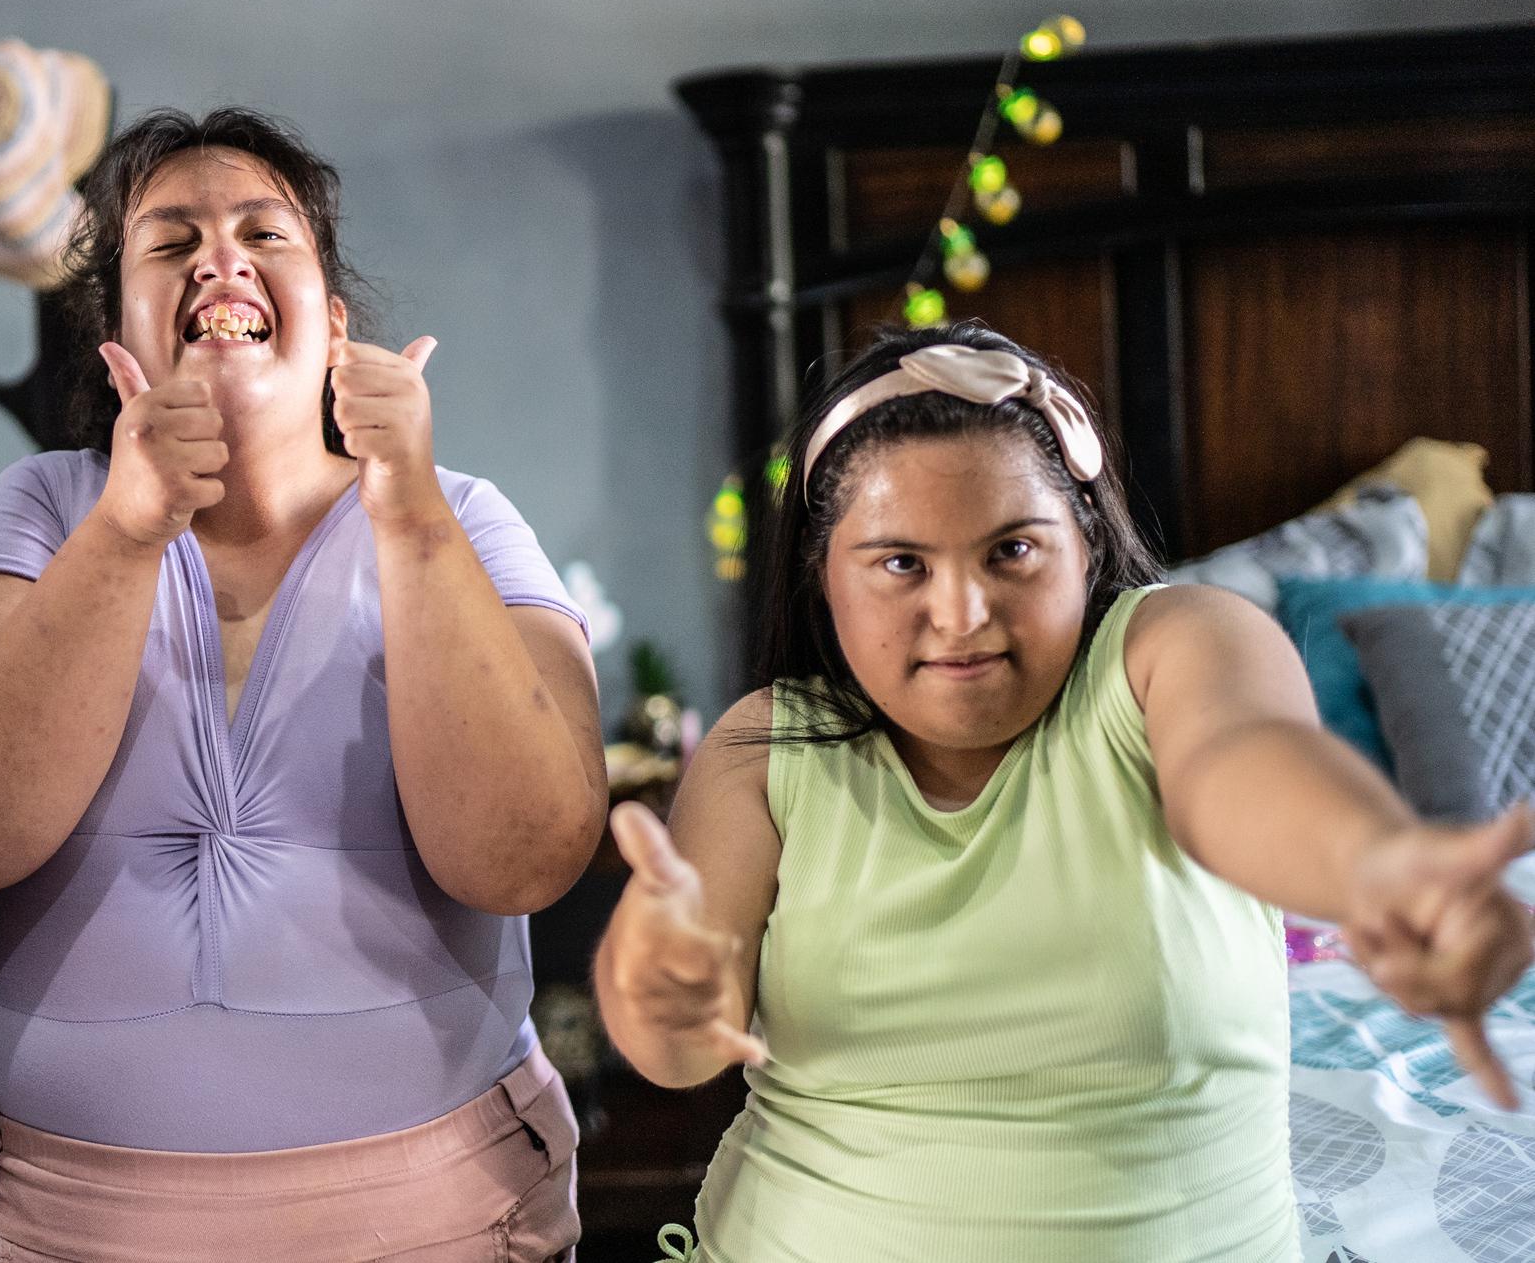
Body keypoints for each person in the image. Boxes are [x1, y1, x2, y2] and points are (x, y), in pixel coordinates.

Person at [595, 322, 1535, 1263]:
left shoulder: (1177, 649)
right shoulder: (767, 747)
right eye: (900, 563)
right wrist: (654, 990)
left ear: (1084, 544)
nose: (961, 614)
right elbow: (677, 1051)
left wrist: (1375, 865)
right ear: (822, 578)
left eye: (1012, 551)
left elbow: (1244, 764)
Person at [0, 107, 605, 1262]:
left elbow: (525, 857)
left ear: (336, 325)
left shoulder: (464, 515)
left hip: (442, 1224)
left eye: (264, 231)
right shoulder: (43, 506)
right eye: (171, 244)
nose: (220, 256)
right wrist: (125, 529)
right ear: (116, 328)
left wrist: (408, 514)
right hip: (75, 1231)